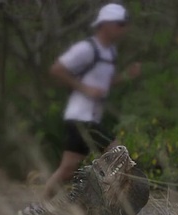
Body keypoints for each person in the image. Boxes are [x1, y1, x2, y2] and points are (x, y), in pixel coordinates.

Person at [42, 3, 141, 201]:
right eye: (120, 24)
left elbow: (103, 85)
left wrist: (125, 77)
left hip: (90, 118)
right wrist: (84, 89)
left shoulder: (110, 53)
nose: (124, 29)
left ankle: (41, 207)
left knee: (67, 170)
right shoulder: (86, 49)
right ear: (105, 24)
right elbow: (57, 69)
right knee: (118, 155)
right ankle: (112, 204)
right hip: (81, 117)